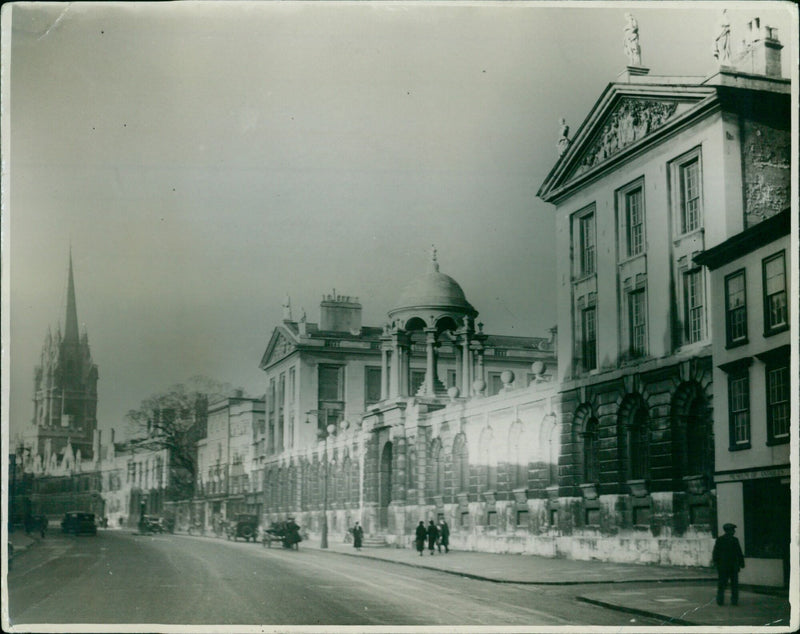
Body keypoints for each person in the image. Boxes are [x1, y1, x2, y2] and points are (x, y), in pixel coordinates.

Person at [713, 523, 745, 606]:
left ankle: (720, 601)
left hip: (724, 566)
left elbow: (715, 553)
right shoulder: (734, 540)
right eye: (732, 530)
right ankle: (734, 601)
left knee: (722, 584)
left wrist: (716, 563)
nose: (734, 531)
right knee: (733, 585)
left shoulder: (720, 540)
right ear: (728, 531)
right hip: (731, 566)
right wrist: (742, 563)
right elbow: (739, 552)